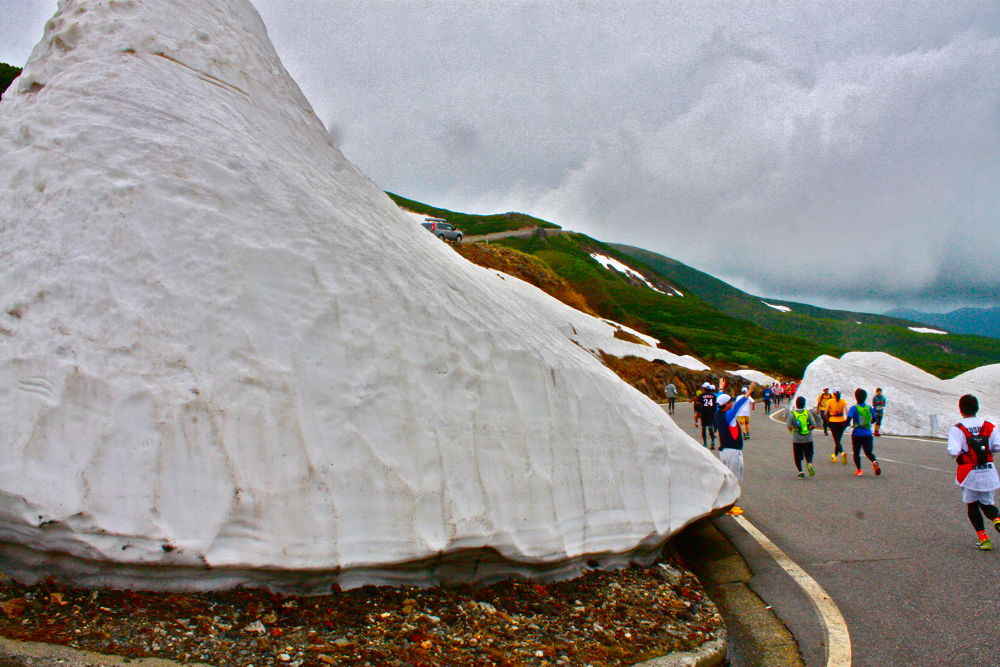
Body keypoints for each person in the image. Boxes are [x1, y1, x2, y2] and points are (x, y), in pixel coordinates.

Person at [946, 394, 1000, 551]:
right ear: (977, 408)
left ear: (960, 409)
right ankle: (997, 519)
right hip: (988, 470)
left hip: (968, 472)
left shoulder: (957, 428)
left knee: (972, 505)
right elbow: (997, 446)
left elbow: (953, 451)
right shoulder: (989, 426)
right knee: (987, 503)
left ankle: (984, 539)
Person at [715, 378, 757, 515]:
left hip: (724, 450)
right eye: (730, 402)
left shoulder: (718, 412)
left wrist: (721, 388)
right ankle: (729, 507)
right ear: (727, 405)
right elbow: (739, 405)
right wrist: (750, 391)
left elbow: (718, 400)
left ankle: (726, 504)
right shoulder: (729, 415)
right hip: (732, 450)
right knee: (733, 480)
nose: (732, 403)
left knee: (728, 479)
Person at [847, 388, 881, 477]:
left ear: (856, 397)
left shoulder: (854, 408)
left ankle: (859, 470)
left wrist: (849, 425)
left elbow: (848, 420)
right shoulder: (869, 408)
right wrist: (869, 423)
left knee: (856, 452)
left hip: (857, 433)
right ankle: (874, 461)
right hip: (868, 433)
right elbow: (875, 419)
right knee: (868, 452)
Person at [786, 396, 818, 478]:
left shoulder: (792, 414)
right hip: (808, 438)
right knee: (809, 453)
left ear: (796, 404)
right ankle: (809, 463)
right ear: (804, 404)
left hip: (797, 439)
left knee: (797, 456)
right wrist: (809, 428)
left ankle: (800, 472)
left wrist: (794, 428)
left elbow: (789, 426)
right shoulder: (808, 413)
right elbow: (814, 425)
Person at [826, 388, 849, 464]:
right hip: (841, 421)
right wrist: (847, 421)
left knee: (836, 440)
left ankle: (842, 452)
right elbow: (847, 411)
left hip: (833, 421)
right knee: (838, 439)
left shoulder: (830, 401)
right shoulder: (843, 401)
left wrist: (827, 421)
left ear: (833, 393)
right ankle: (835, 456)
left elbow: (826, 412)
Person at [697, 384, 718, 449]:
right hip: (711, 413)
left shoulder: (702, 395)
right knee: (711, 428)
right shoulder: (713, 396)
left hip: (704, 413)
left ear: (704, 389)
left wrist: (699, 412)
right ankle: (713, 441)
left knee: (704, 428)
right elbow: (715, 404)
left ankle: (705, 442)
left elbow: (698, 403)